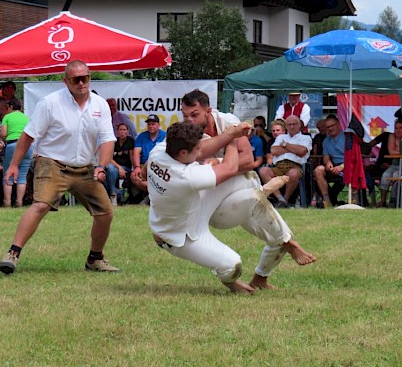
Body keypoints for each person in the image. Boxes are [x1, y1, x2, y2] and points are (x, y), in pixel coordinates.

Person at [180, 89, 316, 289]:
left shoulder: (228, 122)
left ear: (208, 111)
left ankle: (261, 278)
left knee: (271, 228)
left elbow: (248, 160)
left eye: (194, 115)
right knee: (254, 190)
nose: (189, 120)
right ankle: (284, 233)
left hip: (240, 187)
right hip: (214, 201)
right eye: (185, 116)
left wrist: (217, 162)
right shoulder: (185, 133)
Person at [0, 60, 118, 274]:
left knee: (106, 213)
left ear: (90, 77)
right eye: (76, 79)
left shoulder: (100, 105)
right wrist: (14, 165)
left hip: (85, 167)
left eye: (85, 78)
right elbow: (28, 135)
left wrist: (102, 166)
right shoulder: (50, 103)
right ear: (65, 81)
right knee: (41, 205)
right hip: (51, 163)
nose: (82, 83)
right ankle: (12, 254)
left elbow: (108, 139)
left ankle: (94, 259)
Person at [148, 122, 256, 293]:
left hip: (191, 207)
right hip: (181, 236)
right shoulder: (186, 176)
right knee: (232, 265)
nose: (201, 152)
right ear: (183, 153)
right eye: (196, 149)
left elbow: (204, 149)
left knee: (245, 179)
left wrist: (229, 133)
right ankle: (229, 282)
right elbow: (230, 167)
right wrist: (234, 138)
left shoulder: (159, 152)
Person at [259, 115, 311, 208]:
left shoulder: (305, 138)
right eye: (289, 124)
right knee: (263, 171)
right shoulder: (280, 137)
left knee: (293, 173)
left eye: (294, 124)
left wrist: (285, 145)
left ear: (299, 125)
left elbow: (302, 151)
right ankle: (280, 199)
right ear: (286, 126)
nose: (292, 126)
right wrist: (294, 148)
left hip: (295, 166)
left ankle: (286, 199)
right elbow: (274, 151)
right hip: (278, 166)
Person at [0, 98, 33, 208]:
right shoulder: (26, 117)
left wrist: (4, 140)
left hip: (13, 146)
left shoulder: (7, 117)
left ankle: (7, 203)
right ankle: (19, 202)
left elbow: (3, 134)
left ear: (11, 106)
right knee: (22, 176)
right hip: (27, 146)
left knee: (8, 175)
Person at [314, 114, 345, 208]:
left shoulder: (347, 137)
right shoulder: (326, 141)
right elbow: (326, 156)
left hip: (348, 165)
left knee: (344, 178)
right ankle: (326, 200)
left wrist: (342, 167)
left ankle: (332, 198)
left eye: (332, 125)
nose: (330, 128)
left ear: (338, 124)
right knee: (318, 170)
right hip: (334, 165)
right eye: (328, 127)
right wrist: (328, 162)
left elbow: (353, 158)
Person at [131, 114, 166, 194]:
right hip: (143, 166)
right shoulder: (142, 136)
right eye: (149, 124)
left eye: (153, 124)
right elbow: (136, 152)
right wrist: (136, 167)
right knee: (135, 177)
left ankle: (151, 196)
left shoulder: (165, 135)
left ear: (159, 125)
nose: (151, 126)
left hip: (160, 166)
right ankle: (153, 194)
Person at [378, 120, 402, 208]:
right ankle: (383, 201)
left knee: (397, 175)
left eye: (400, 128)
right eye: (396, 128)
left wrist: (398, 151)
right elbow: (391, 152)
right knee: (385, 176)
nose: (398, 130)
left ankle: (395, 201)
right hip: (394, 164)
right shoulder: (391, 136)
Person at [104, 123, 135, 206]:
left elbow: (132, 156)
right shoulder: (114, 142)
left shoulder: (130, 141)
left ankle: (112, 195)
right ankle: (114, 194)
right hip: (115, 167)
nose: (122, 132)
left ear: (127, 131)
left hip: (126, 168)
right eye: (120, 130)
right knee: (109, 169)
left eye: (124, 130)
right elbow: (109, 158)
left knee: (110, 171)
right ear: (117, 132)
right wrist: (119, 168)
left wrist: (134, 169)